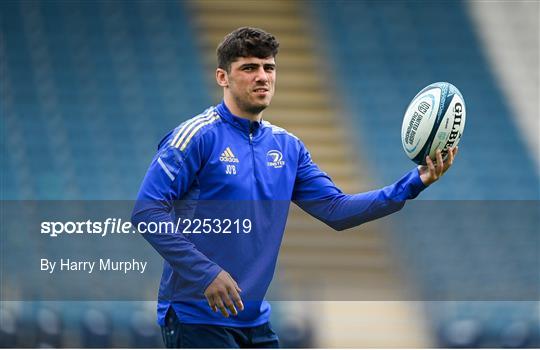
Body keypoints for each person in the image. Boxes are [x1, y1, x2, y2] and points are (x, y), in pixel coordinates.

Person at [131, 27, 458, 348]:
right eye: (249, 68)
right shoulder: (196, 137)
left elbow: (336, 210)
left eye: (268, 68)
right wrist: (205, 274)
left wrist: (413, 183)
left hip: (254, 321)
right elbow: (146, 212)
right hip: (197, 317)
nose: (262, 76)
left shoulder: (288, 147)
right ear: (222, 77)